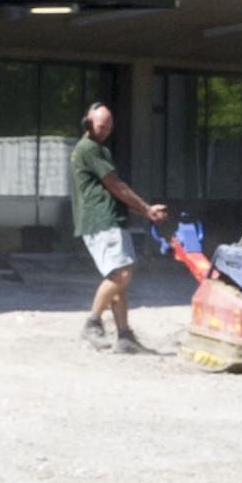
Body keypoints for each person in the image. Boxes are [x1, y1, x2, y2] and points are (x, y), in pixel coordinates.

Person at [65, 102, 174, 356]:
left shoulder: (94, 148)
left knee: (117, 281)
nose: (105, 131)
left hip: (104, 219)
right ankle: (92, 323)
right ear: (87, 123)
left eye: (108, 127)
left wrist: (143, 211)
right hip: (102, 221)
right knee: (122, 274)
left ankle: (125, 336)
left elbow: (112, 190)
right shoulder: (90, 148)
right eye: (101, 126)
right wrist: (146, 209)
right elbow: (115, 185)